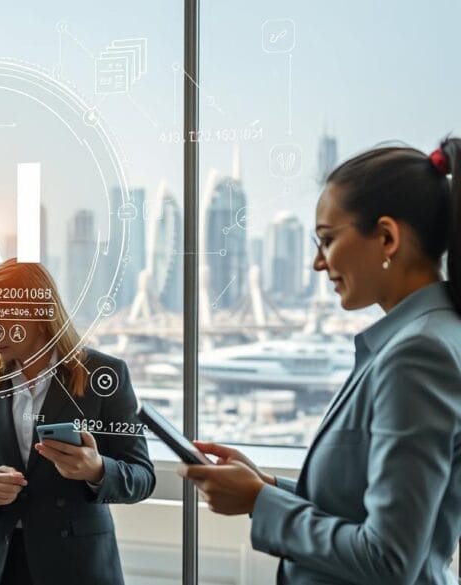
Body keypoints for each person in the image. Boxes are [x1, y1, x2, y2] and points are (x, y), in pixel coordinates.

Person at [181, 138, 461, 585]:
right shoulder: (428, 336)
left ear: (387, 238)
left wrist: (258, 502)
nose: (316, 262)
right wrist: (266, 487)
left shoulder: (416, 355)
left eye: (327, 240)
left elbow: (388, 559)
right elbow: (367, 510)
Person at [0, 259, 155, 585]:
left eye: (2, 321)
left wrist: (97, 470)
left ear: (39, 316)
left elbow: (142, 476)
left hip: (77, 566)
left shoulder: (104, 374)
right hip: (1, 564)